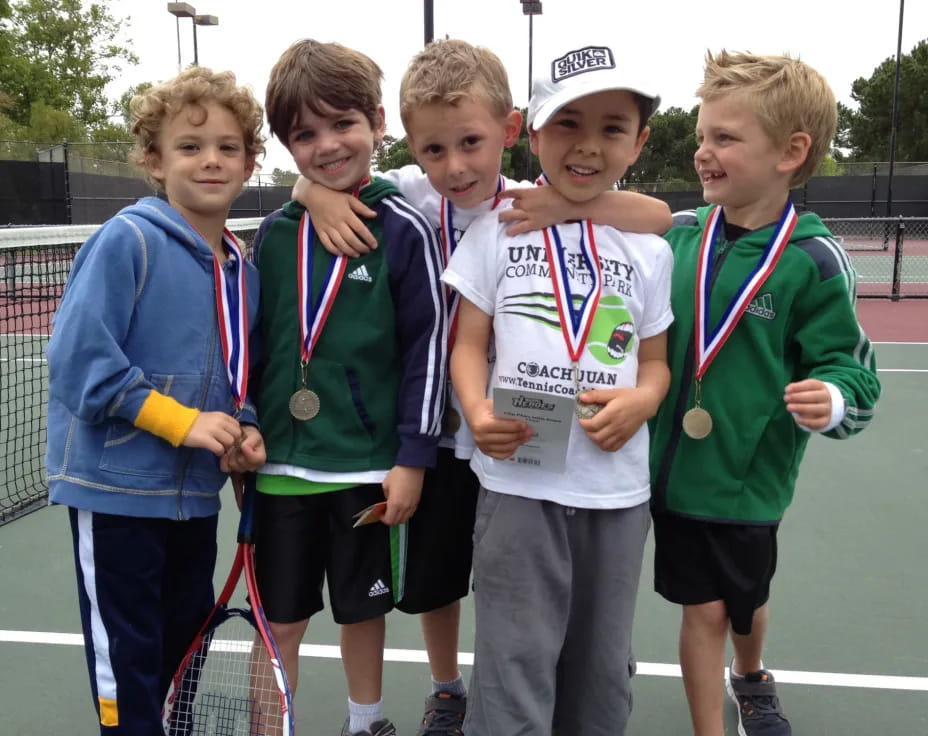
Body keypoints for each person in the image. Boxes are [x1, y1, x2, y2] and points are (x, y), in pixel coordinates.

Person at [292, 38, 672, 735]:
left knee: (527, 600)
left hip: (523, 439)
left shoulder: (535, 202)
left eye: (471, 143)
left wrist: (565, 211)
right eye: (435, 151)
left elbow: (655, 217)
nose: (454, 166)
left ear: (507, 131)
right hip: (434, 426)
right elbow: (318, 180)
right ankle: (447, 688)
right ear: (411, 146)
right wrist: (311, 191)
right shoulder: (407, 189)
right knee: (441, 578)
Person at [441, 43, 673, 735]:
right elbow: (468, 346)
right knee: (514, 664)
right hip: (517, 485)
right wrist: (477, 409)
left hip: (616, 494)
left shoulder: (650, 250)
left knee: (600, 673)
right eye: (568, 124)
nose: (588, 146)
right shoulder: (495, 228)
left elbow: (656, 364)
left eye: (612, 128)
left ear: (640, 142)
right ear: (532, 132)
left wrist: (645, 399)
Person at [648, 51, 882, 736]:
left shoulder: (812, 259)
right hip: (670, 474)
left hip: (749, 480)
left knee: (744, 602)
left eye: (724, 138)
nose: (702, 153)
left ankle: (751, 677)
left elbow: (852, 367)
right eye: (702, 136)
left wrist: (833, 398)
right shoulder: (682, 237)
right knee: (705, 610)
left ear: (791, 151)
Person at [45, 66, 267, 734]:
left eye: (229, 147)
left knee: (182, 650)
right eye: (190, 147)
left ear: (252, 161)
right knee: (128, 662)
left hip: (193, 502)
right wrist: (182, 424)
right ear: (153, 159)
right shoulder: (128, 241)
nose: (211, 160)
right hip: (115, 496)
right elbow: (80, 362)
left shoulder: (243, 273)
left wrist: (244, 427)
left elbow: (237, 376)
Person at [252, 39, 447, 736]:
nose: (328, 146)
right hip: (277, 472)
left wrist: (413, 455)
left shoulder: (405, 229)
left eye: (343, 124)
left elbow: (431, 347)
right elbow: (251, 345)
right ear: (286, 145)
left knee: (363, 611)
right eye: (305, 134)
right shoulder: (273, 236)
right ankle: (271, 726)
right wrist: (245, 419)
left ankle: (366, 722)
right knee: (280, 622)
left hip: (367, 468)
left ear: (377, 122)